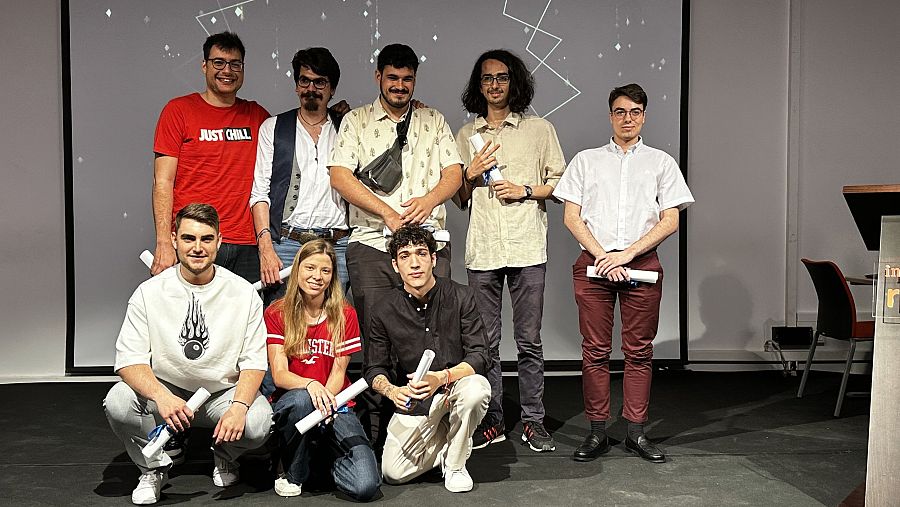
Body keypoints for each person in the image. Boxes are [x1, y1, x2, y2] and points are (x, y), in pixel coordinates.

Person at [553, 84, 694, 464]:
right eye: (620, 111)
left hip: (642, 264)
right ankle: (597, 432)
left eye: (634, 111)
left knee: (639, 351)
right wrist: (603, 257)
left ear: (644, 115)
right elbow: (571, 216)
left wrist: (627, 254)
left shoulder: (661, 162)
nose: (627, 118)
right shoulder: (586, 160)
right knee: (595, 351)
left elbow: (671, 219)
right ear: (610, 115)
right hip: (593, 265)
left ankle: (635, 432)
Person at [103, 203, 271, 505]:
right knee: (118, 401)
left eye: (206, 239)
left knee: (258, 422)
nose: (198, 247)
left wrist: (239, 406)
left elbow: (255, 361)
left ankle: (224, 455)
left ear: (219, 242)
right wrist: (161, 396)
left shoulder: (244, 293)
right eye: (189, 238)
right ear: (175, 239)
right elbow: (129, 360)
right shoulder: (149, 292)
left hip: (219, 395)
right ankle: (153, 467)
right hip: (167, 392)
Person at [455, 49, 565, 452]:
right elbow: (459, 197)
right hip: (483, 248)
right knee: (485, 343)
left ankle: (534, 421)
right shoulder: (466, 135)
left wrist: (525, 190)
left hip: (527, 247)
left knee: (529, 340)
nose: (494, 85)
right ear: (478, 85)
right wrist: (468, 173)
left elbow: (561, 184)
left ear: (514, 82)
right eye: (487, 79)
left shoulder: (539, 130)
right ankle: (494, 419)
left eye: (501, 78)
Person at [328, 43, 463, 337]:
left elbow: (454, 173)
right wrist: (386, 213)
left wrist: (429, 201)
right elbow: (339, 176)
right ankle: (384, 386)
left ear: (414, 79)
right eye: (393, 78)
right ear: (379, 76)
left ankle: (429, 385)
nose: (400, 86)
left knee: (433, 332)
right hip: (372, 242)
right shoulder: (356, 120)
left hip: (429, 243)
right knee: (378, 335)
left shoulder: (433, 119)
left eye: (407, 79)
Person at [364, 225, 491, 493]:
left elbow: (480, 355)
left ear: (434, 259)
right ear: (395, 265)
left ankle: (456, 465)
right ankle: (450, 443)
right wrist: (391, 390)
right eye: (405, 256)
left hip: (454, 385)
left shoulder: (461, 296)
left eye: (421, 254)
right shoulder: (383, 308)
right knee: (393, 473)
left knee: (477, 389)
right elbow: (374, 368)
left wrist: (441, 378)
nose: (414, 263)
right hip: (417, 398)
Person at [265, 239, 380, 500]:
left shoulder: (344, 314)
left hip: (335, 402)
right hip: (295, 400)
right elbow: (280, 374)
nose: (317, 276)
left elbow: (339, 373)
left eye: (325, 271)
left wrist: (326, 403)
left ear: (332, 276)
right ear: (297, 270)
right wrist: (310, 384)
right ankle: (293, 473)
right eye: (310, 268)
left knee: (365, 485)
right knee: (302, 401)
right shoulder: (277, 312)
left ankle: (319, 462)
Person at [151, 31, 269, 283]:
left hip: (245, 244)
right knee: (192, 320)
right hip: (195, 239)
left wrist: (333, 116)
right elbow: (163, 182)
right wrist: (164, 241)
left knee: (243, 320)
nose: (227, 70)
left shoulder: (257, 116)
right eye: (218, 62)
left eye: (235, 64)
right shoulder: (178, 111)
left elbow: (294, 135)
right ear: (204, 66)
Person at [251, 48, 351, 303]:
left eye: (320, 82)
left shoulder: (349, 128)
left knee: (332, 329)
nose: (311, 88)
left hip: (337, 246)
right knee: (282, 329)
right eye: (304, 80)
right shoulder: (273, 128)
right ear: (296, 85)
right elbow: (259, 193)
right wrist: (266, 248)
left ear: (332, 88)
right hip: (286, 245)